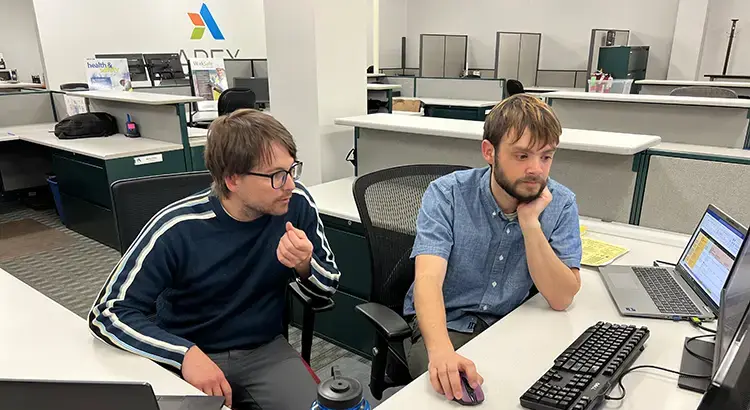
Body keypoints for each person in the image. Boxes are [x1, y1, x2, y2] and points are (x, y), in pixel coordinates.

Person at [88, 109, 340, 410]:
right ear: (232, 179)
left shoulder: (296, 204)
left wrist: (303, 266)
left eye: (292, 169)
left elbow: (327, 291)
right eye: (276, 175)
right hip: (190, 353)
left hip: (263, 350)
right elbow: (107, 311)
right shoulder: (177, 227)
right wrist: (183, 355)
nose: (289, 184)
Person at [404, 94, 583, 401]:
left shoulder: (561, 202)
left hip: (511, 325)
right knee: (454, 396)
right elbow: (428, 279)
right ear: (490, 152)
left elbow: (561, 297)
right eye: (522, 156)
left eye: (546, 156)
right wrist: (441, 352)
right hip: (448, 324)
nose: (537, 170)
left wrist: (530, 225)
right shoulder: (448, 195)